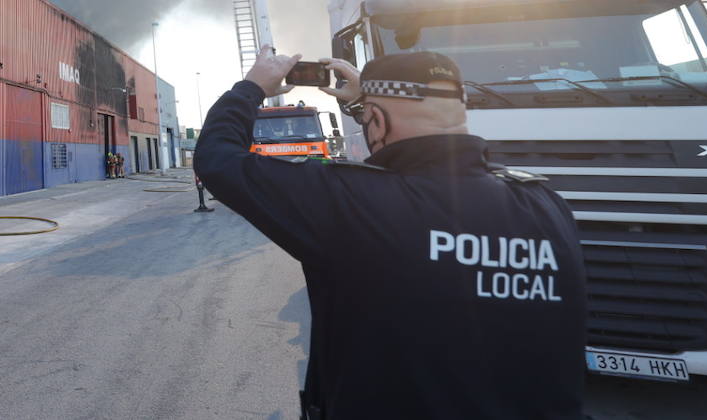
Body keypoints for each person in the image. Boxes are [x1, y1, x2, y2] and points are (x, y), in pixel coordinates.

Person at [194, 47, 585, 420]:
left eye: (368, 120)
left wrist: (251, 88)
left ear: (376, 121)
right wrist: (366, 104)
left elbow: (217, 158)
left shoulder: (349, 203)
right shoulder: (546, 205)